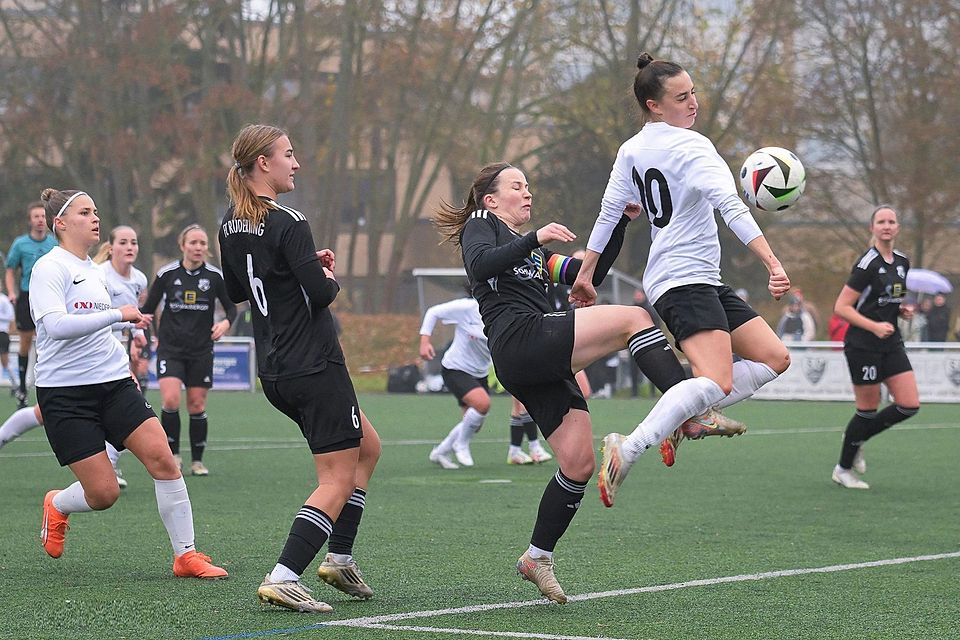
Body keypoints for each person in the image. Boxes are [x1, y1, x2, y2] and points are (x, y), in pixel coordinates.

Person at [435, 161, 736, 603]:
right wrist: (534, 237)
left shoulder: (530, 253)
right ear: (491, 199)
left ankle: (537, 557)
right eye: (517, 186)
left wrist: (617, 226)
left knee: (578, 465)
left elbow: (585, 274)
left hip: (535, 357)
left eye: (528, 186)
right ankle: (690, 412)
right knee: (634, 317)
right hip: (521, 339)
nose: (528, 193)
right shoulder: (483, 224)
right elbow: (479, 266)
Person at [571, 52, 791, 471]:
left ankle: (682, 412)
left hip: (697, 278)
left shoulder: (631, 150)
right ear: (654, 105)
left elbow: (609, 215)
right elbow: (730, 204)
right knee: (717, 380)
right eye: (681, 97)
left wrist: (586, 275)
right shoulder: (692, 145)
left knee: (773, 357)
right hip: (683, 277)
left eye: (693, 93)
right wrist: (772, 262)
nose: (693, 103)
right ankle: (631, 445)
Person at [218, 124, 382, 612]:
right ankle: (285, 575)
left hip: (275, 369)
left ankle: (339, 558)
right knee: (336, 477)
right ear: (262, 164)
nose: (297, 163)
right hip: (312, 363)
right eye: (289, 154)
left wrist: (303, 264)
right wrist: (324, 272)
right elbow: (323, 294)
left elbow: (238, 291)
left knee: (367, 449)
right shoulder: (289, 220)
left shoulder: (229, 223)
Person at [30, 187, 226, 578]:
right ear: (61, 223)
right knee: (104, 494)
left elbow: (102, 331)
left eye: (96, 211)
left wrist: (129, 354)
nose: (95, 218)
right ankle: (58, 504)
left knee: (164, 461)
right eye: (85, 212)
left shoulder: (95, 271)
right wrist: (117, 315)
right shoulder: (49, 268)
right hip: (66, 394)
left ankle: (185, 555)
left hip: (115, 384)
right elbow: (54, 326)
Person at [831, 205, 920, 489]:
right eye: (881, 221)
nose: (886, 226)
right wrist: (874, 326)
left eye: (891, 221)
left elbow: (893, 297)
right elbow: (841, 307)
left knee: (909, 405)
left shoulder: (903, 262)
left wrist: (902, 311)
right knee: (867, 410)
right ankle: (843, 469)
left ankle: (857, 436)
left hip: (891, 343)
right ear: (872, 228)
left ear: (898, 227)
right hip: (863, 344)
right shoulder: (866, 264)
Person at [141, 224, 237, 476]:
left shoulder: (215, 277)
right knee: (171, 400)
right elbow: (148, 310)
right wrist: (150, 337)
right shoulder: (167, 274)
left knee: (196, 405)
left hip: (201, 350)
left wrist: (225, 323)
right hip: (170, 349)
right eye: (193, 243)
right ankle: (173, 456)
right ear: (182, 245)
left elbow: (232, 309)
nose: (198, 248)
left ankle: (197, 461)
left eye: (203, 243)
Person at [419, 294, 553, 468]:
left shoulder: (506, 315)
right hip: (455, 368)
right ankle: (461, 444)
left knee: (473, 423)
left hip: (479, 373)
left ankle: (441, 452)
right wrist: (424, 341)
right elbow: (433, 312)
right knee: (482, 404)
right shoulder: (468, 308)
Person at [5, 201, 58, 408]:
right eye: (36, 217)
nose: (40, 220)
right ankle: (22, 391)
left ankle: (52, 387)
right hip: (27, 296)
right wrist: (11, 292)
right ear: (30, 220)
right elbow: (10, 270)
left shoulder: (54, 244)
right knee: (26, 342)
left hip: (50, 296)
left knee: (51, 340)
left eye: (43, 216)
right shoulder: (20, 244)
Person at [94, 226, 150, 394]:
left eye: (134, 243)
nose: (129, 247)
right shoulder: (99, 275)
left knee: (134, 398)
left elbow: (133, 311)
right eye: (123, 243)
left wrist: (138, 336)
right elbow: (95, 320)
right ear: (111, 248)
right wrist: (133, 325)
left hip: (116, 350)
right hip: (94, 349)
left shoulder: (140, 279)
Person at [0, 292, 17, 390]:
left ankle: (16, 385)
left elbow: (11, 316)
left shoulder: (4, 300)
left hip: (2, 333)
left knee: (5, 362)